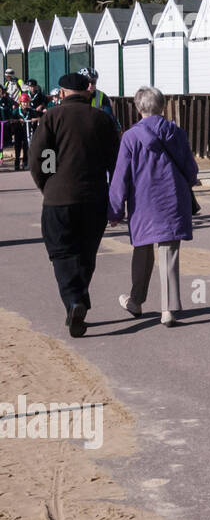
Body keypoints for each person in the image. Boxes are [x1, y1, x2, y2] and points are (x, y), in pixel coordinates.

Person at [28, 73, 120, 337]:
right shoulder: (102, 119)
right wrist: (115, 196)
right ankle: (77, 303)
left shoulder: (52, 117)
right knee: (86, 253)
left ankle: (75, 300)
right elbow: (115, 162)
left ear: (63, 92)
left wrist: (48, 183)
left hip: (59, 198)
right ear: (88, 93)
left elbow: (42, 156)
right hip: (94, 198)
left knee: (61, 252)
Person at [107, 86, 199, 327]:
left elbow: (121, 176)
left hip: (143, 202)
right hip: (172, 199)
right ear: (163, 106)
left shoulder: (130, 137)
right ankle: (168, 309)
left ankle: (136, 300)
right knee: (169, 253)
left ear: (139, 109)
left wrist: (115, 209)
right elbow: (190, 168)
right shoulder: (176, 132)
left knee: (142, 249)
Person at [77, 67, 120, 133]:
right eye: (86, 82)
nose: (90, 85)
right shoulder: (72, 96)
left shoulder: (101, 96)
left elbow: (109, 118)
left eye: (93, 82)